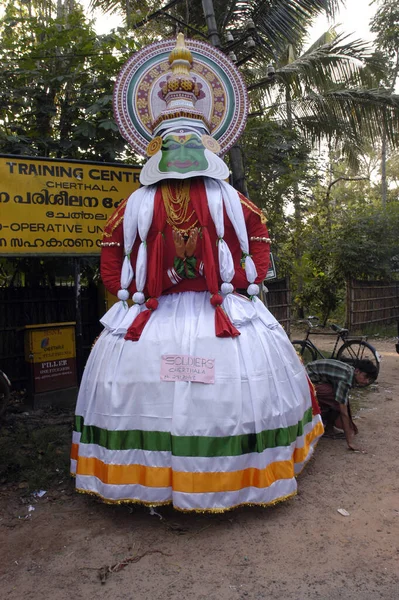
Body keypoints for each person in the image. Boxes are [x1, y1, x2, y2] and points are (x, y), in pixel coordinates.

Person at [70, 34, 324, 512]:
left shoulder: (166, 205)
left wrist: (220, 286)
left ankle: (171, 477)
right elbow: (115, 265)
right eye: (174, 142)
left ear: (206, 144)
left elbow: (257, 253)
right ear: (157, 146)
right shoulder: (153, 207)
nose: (182, 151)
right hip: (192, 311)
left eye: (190, 141)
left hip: (193, 310)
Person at [306, 359, 378, 452]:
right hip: (307, 380)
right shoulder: (345, 378)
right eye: (365, 377)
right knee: (337, 399)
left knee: (340, 398)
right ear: (357, 371)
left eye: (369, 380)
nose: (366, 381)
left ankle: (327, 426)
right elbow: (343, 412)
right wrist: (350, 442)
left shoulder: (350, 373)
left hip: (315, 379)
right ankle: (327, 427)